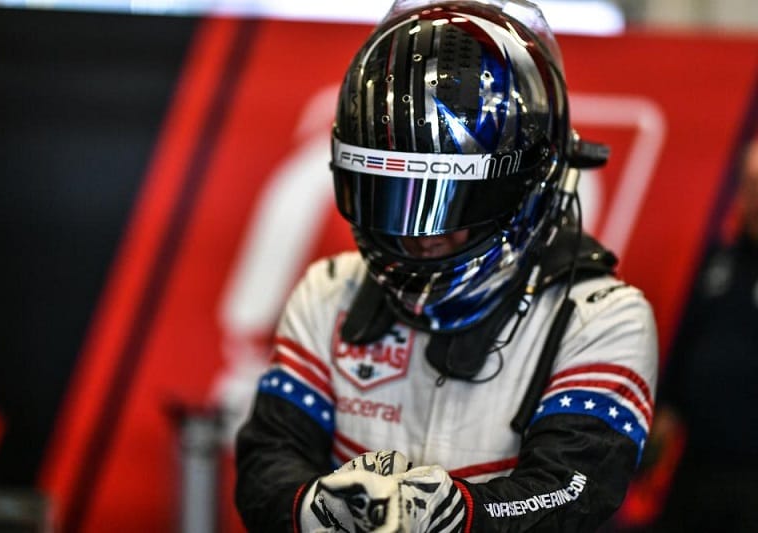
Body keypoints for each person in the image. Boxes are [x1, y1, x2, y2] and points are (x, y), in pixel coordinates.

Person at [235, 1, 658, 531]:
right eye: (393, 197)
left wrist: (460, 516)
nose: (422, 236)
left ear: (531, 183)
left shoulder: (600, 317)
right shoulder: (329, 291)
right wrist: (314, 508)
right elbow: (266, 461)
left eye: (453, 203)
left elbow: (573, 489)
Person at [649, 138, 758, 532]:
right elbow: (689, 345)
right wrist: (665, 414)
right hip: (696, 459)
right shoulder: (720, 262)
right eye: (748, 186)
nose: (752, 200)